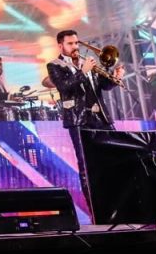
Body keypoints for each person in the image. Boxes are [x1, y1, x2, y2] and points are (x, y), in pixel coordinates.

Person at [46, 29, 123, 202]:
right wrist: (82, 72)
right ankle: (94, 205)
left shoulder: (86, 62)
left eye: (76, 43)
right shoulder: (55, 65)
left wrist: (115, 78)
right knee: (86, 164)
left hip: (100, 118)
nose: (75, 46)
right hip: (79, 120)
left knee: (115, 155)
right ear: (61, 46)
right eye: (70, 43)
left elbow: (102, 86)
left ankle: (116, 199)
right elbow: (64, 87)